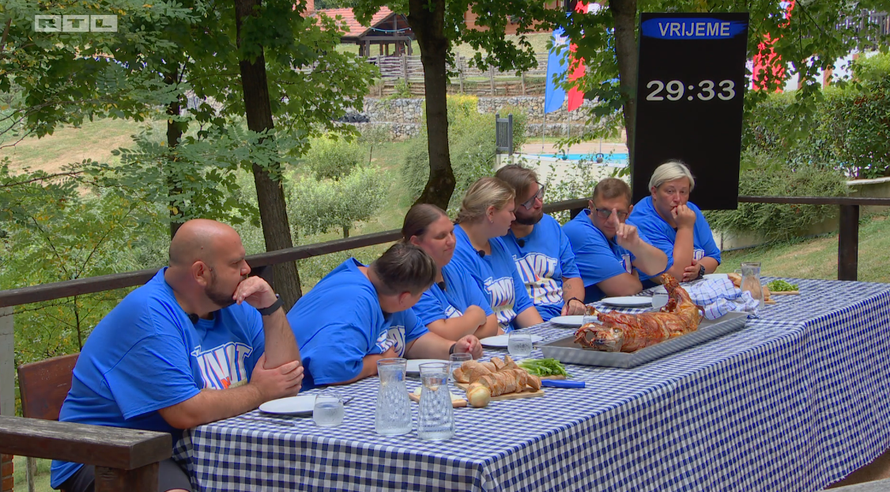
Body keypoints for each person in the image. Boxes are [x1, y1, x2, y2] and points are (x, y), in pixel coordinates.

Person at [51, 219, 304, 492]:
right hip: (110, 450)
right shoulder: (150, 315)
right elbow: (184, 410)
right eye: (235, 263)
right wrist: (260, 391)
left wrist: (270, 306)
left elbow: (287, 377)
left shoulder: (233, 304)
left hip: (193, 445)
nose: (247, 270)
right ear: (200, 273)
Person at [286, 242, 483, 390]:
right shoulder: (355, 304)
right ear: (405, 298)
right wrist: (380, 362)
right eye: (421, 294)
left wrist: (454, 349)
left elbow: (415, 339)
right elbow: (333, 369)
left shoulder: (387, 289)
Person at [448, 177, 544, 332]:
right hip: (488, 344)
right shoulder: (455, 250)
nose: (514, 217)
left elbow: (522, 304)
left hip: (511, 340)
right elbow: (480, 318)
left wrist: (544, 338)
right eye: (510, 211)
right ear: (491, 213)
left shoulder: (497, 242)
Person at [494, 165, 587, 320]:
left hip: (562, 314)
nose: (539, 203)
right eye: (529, 202)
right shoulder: (495, 237)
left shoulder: (551, 225)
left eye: (539, 194)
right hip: (528, 319)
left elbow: (571, 276)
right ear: (509, 205)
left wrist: (573, 301)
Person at [402, 204, 499, 340]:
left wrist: (459, 331)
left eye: (452, 232)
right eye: (441, 236)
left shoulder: (455, 267)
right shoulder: (410, 280)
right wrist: (475, 316)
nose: (452, 241)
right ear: (416, 243)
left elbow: (492, 324)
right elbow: (440, 335)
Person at [563, 178, 669, 302]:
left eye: (619, 213)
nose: (612, 220)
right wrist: (636, 281)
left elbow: (660, 267)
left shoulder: (625, 225)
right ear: (591, 207)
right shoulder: (580, 231)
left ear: (629, 212)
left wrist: (637, 245)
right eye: (604, 211)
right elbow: (625, 289)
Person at [628, 161, 721, 282]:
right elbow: (676, 275)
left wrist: (700, 269)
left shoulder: (691, 210)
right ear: (654, 192)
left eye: (683, 192)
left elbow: (714, 256)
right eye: (670, 191)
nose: (678, 199)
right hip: (654, 293)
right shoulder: (641, 219)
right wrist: (685, 227)